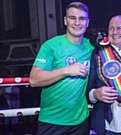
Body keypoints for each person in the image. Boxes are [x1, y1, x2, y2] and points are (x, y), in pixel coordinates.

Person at [29, 2, 94, 135]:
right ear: (65, 20)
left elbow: (118, 48)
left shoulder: (91, 48)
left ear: (87, 22)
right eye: (72, 18)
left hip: (80, 121)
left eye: (82, 19)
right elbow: (34, 79)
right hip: (52, 121)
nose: (77, 23)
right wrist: (66, 71)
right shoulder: (51, 45)